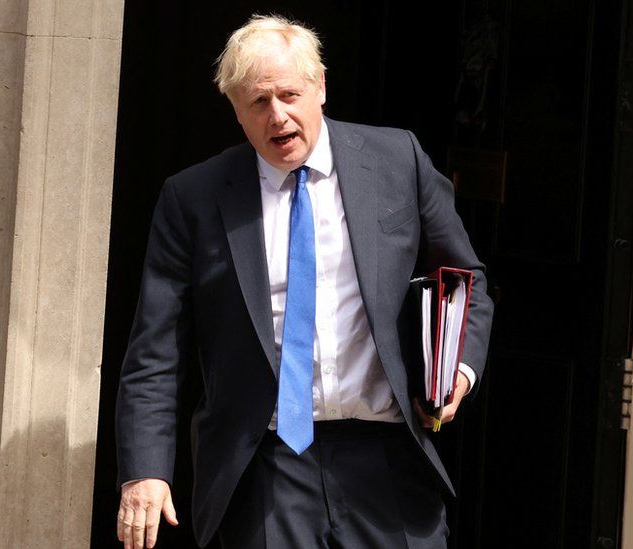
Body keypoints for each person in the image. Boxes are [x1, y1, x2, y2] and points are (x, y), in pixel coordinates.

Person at [115, 14, 493, 549]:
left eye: (289, 95)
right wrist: (144, 471)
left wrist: (458, 370)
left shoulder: (396, 160)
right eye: (258, 103)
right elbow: (156, 351)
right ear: (237, 114)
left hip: (387, 459)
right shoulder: (194, 198)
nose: (278, 116)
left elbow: (464, 278)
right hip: (266, 465)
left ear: (320, 87)